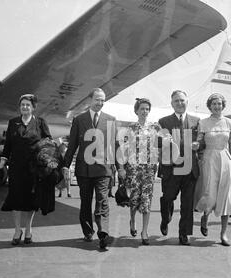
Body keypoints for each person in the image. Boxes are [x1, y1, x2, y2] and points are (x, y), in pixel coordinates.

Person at [63, 88, 119, 249]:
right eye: (97, 100)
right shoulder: (79, 119)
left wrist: (120, 167)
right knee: (86, 201)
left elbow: (114, 146)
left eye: (103, 100)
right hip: (84, 169)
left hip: (103, 169)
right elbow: (73, 144)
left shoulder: (111, 120)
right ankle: (88, 231)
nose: (100, 103)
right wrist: (65, 165)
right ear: (90, 100)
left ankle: (103, 233)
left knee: (102, 199)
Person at [0, 94, 52, 245]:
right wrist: (2, 163)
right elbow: (7, 145)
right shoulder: (13, 122)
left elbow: (49, 143)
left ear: (33, 107)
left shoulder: (40, 123)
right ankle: (17, 230)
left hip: (34, 169)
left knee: (31, 200)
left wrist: (48, 162)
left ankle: (28, 229)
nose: (25, 107)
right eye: (22, 104)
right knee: (15, 199)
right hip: (16, 168)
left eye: (28, 105)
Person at [118, 98, 164, 245]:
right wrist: (121, 168)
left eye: (147, 109)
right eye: (142, 108)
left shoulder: (155, 128)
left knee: (147, 200)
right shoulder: (129, 128)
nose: (144, 111)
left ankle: (145, 231)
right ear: (136, 110)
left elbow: (163, 145)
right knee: (134, 199)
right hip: (133, 168)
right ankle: (132, 221)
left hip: (149, 169)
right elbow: (123, 149)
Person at [194, 93, 231, 246]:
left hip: (225, 160)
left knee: (226, 196)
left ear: (223, 105)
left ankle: (223, 233)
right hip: (209, 159)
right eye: (214, 104)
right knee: (209, 193)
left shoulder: (230, 123)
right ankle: (205, 216)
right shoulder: (203, 122)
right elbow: (199, 143)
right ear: (209, 106)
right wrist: (196, 145)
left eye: (219, 104)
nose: (217, 106)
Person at [158, 90, 201, 245]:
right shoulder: (163, 122)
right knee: (167, 197)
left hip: (190, 169)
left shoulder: (197, 122)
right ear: (172, 104)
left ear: (187, 102)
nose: (180, 103)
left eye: (182, 100)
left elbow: (202, 142)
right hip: (171, 169)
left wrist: (199, 145)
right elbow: (157, 144)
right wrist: (163, 141)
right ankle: (165, 218)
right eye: (176, 101)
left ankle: (184, 234)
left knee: (187, 204)